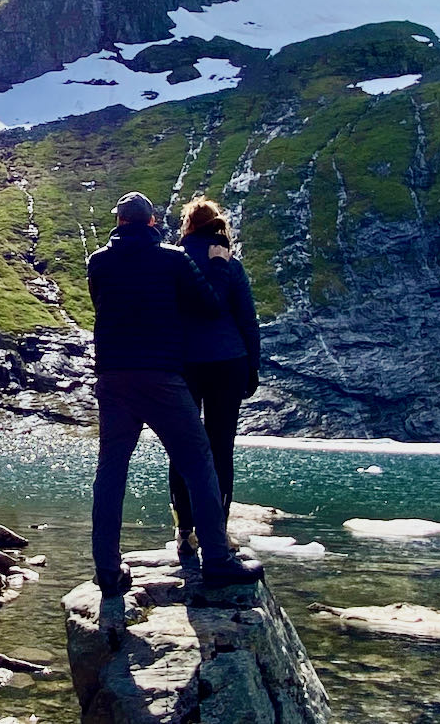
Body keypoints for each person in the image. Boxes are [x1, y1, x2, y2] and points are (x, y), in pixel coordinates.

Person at [87, 190, 264, 596]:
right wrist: (219, 266)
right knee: (200, 460)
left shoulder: (98, 262)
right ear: (151, 222)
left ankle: (109, 572)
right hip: (163, 376)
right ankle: (217, 559)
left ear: (119, 222)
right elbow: (209, 305)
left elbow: (102, 304)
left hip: (113, 379)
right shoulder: (172, 259)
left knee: (111, 470)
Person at [169, 199, 261, 559]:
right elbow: (247, 321)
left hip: (184, 364)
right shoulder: (230, 265)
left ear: (188, 225)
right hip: (228, 362)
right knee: (221, 447)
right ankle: (218, 532)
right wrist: (252, 366)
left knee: (183, 446)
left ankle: (184, 529)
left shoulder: (173, 261)